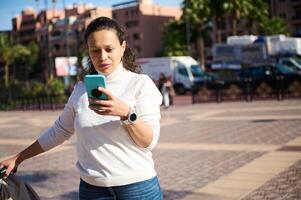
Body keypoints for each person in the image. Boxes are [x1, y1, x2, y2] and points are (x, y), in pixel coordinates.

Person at [0, 17, 163, 200]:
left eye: (109, 49)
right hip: (92, 191)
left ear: (123, 47)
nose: (102, 57)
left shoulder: (140, 84)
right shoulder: (80, 90)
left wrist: (126, 114)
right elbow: (59, 131)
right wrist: (19, 157)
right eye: (95, 50)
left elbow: (149, 142)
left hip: (138, 189)